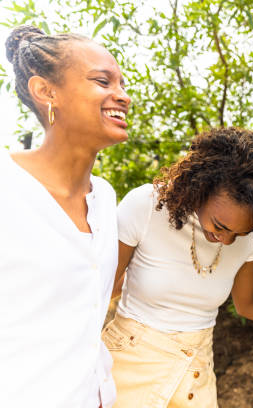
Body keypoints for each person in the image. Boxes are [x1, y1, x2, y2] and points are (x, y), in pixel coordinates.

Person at [103, 127, 253, 407]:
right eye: (220, 226)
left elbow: (248, 305)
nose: (225, 239)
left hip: (196, 375)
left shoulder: (249, 241)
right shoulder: (147, 206)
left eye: (239, 233)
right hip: (128, 366)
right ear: (201, 187)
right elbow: (102, 291)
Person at [0, 26, 131, 407]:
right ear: (46, 91)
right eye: (102, 81)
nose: (121, 96)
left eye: (122, 84)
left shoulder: (105, 199)